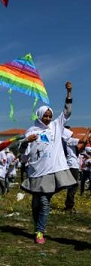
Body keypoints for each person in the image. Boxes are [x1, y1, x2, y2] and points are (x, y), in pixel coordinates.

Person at [18, 81, 76, 244]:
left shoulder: (56, 127)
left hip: (51, 172)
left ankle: (40, 232)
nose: (48, 118)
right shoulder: (31, 131)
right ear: (39, 115)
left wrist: (69, 93)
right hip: (36, 172)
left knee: (45, 202)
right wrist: (25, 142)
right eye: (46, 115)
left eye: (50, 116)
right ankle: (37, 227)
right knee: (36, 203)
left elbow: (67, 111)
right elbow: (22, 154)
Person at [63, 126, 89, 212]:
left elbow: (79, 149)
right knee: (73, 186)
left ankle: (69, 205)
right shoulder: (69, 140)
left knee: (71, 185)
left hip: (72, 165)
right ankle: (69, 206)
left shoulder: (69, 142)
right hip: (72, 165)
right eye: (70, 132)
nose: (73, 133)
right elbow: (83, 140)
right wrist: (88, 131)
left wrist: (84, 143)